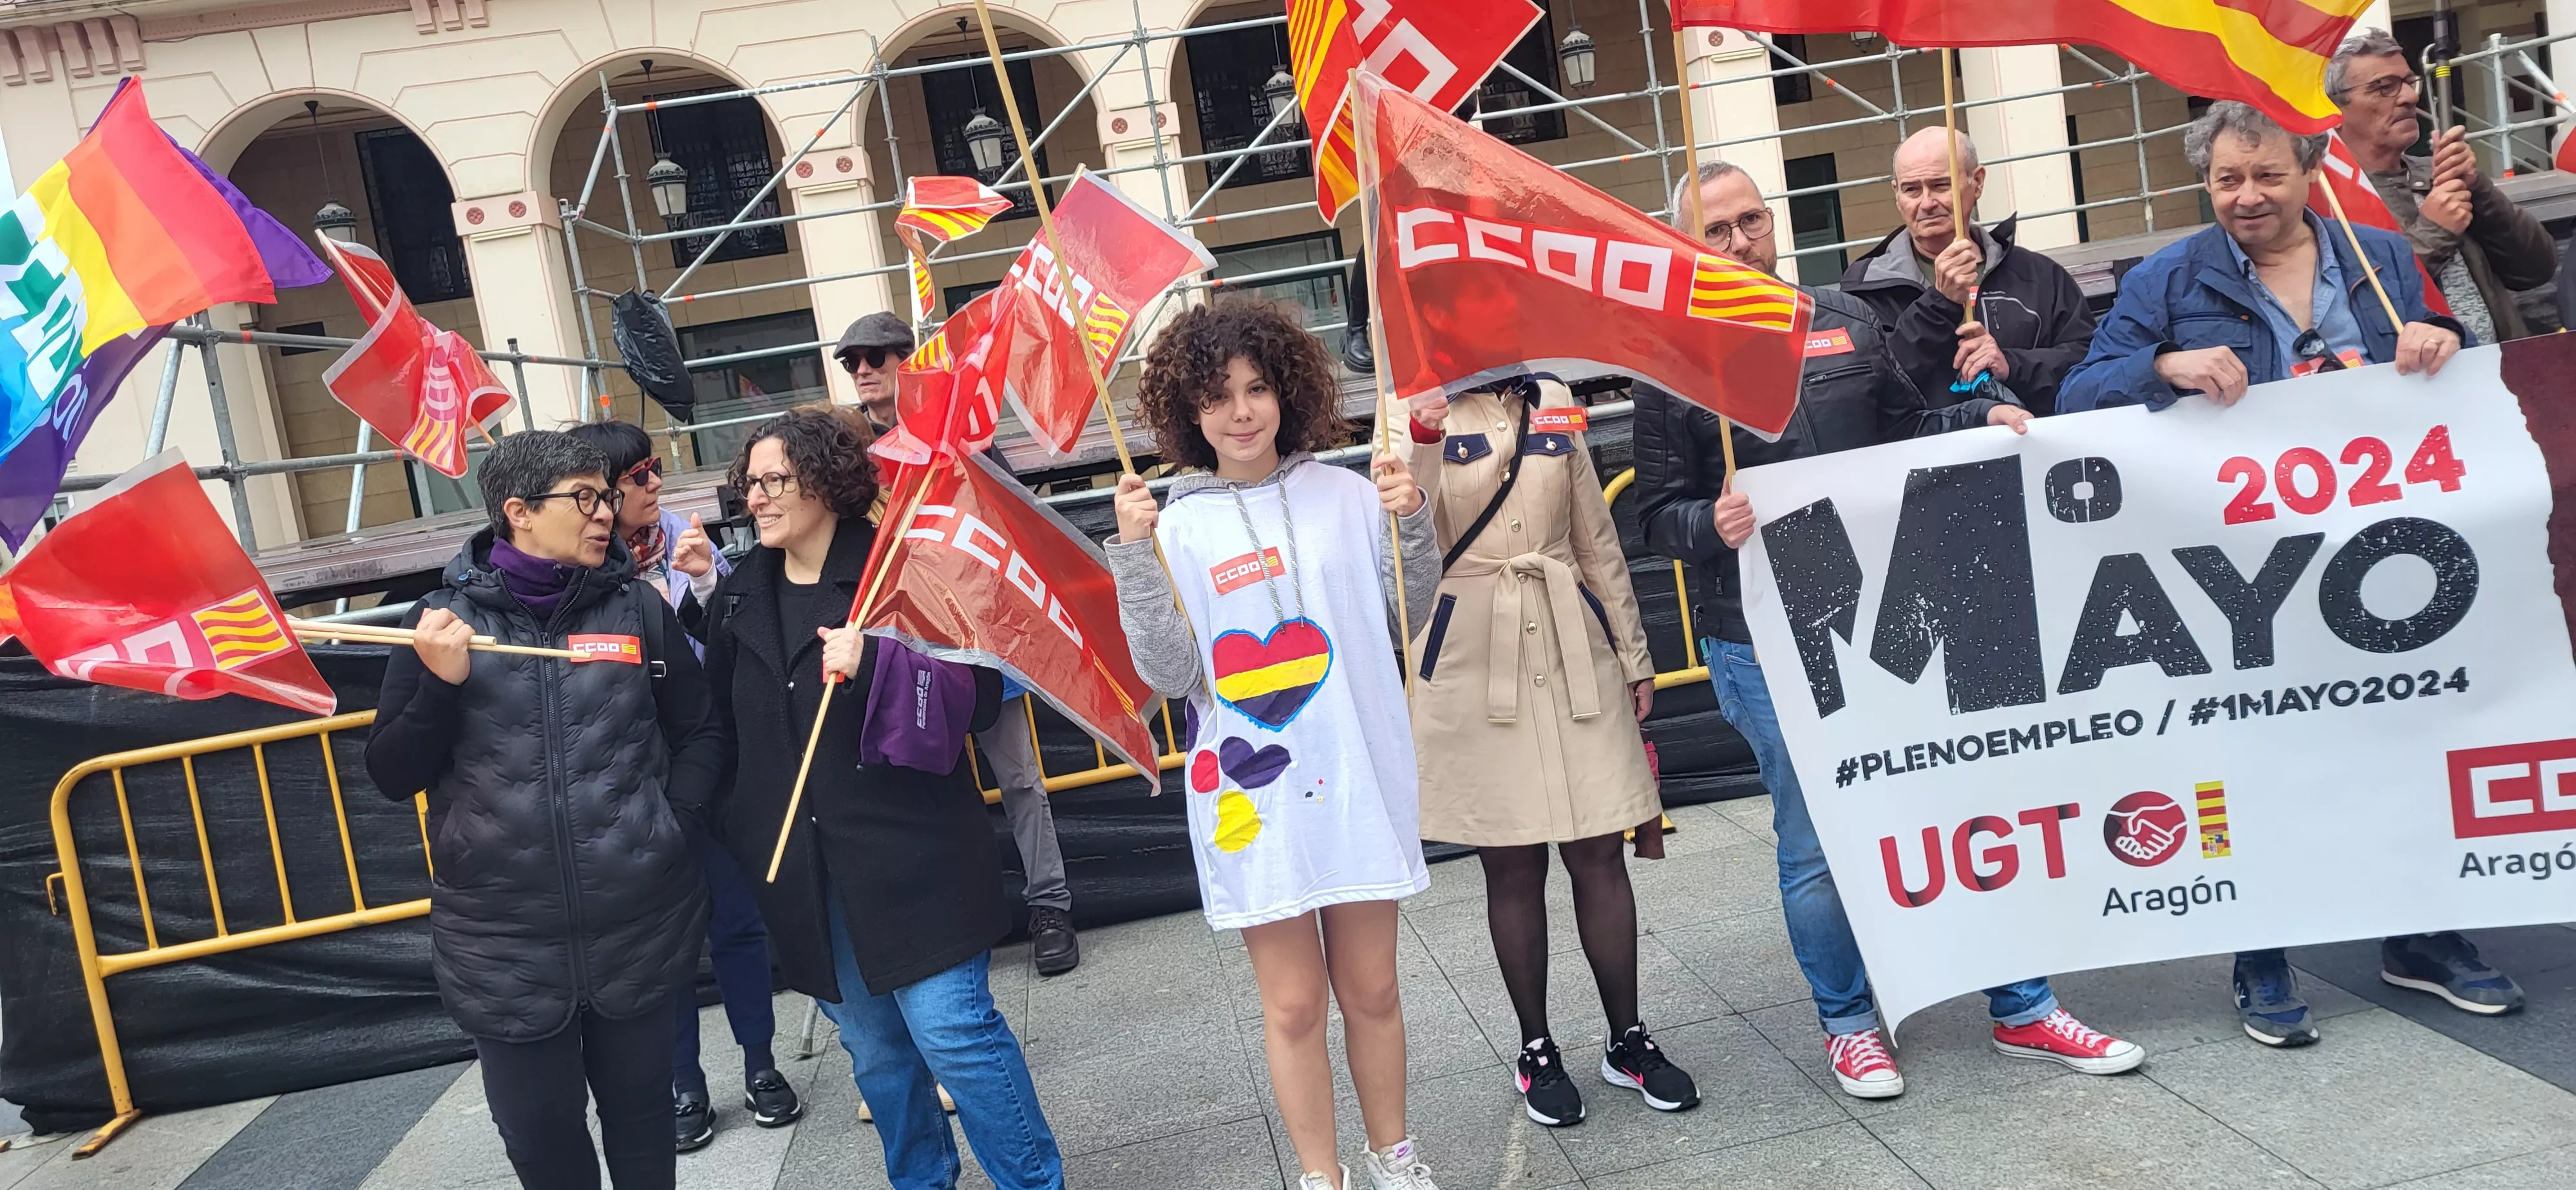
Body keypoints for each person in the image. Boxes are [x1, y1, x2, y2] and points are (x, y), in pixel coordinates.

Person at [1638, 159, 2143, 1101]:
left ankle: (2024, 1007)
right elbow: (1654, 514)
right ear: (1688, 244)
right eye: (1717, 229)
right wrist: (1712, 523)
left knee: (1962, 807)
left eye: (1752, 219)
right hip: (1763, 635)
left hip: (1895, 613)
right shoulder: (1671, 362)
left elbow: (1906, 422)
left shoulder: (1839, 317)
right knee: (1816, 841)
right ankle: (1850, 1023)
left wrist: (1976, 413)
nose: (1742, 240)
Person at [2060, 102, 2517, 1045]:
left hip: (2381, 555)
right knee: (2255, 759)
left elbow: (2461, 353)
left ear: (2309, 172)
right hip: (2250, 575)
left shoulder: (2382, 258)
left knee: (2404, 741)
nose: (2247, 196)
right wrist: (2167, 363)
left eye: (2266, 176)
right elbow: (2079, 392)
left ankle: (2421, 934)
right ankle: (2262, 951)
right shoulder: (2166, 278)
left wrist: (2442, 342)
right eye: (2228, 179)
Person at [1106, 296, 1443, 1190]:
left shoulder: (1350, 491)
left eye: (1258, 388)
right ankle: (1321, 1176)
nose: (1243, 411)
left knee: (1372, 989)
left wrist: (1411, 516)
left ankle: (1394, 1159)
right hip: (1251, 791)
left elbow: (1412, 606)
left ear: (1289, 389)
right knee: (1295, 1004)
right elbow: (1173, 673)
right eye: (1219, 396)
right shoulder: (1173, 524)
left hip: (1358, 770)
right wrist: (1135, 557)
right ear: (1189, 409)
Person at [698, 408, 1061, 1190]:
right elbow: (718, 730)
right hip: (802, 871)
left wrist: (881, 662)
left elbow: (982, 696)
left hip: (917, 856)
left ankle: (1033, 1182)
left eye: (773, 482)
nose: (755, 499)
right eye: (748, 485)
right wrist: (742, 825)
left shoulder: (897, 575)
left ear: (826, 482)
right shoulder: (735, 598)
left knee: (954, 1033)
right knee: (877, 1055)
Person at [365, 430, 724, 1190]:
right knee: (541, 1141)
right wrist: (438, 684)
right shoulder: (441, 620)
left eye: (606, 497)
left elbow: (701, 731)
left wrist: (670, 824)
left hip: (636, 921)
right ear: (520, 512)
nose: (605, 514)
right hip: (501, 941)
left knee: (643, 1125)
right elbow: (393, 773)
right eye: (586, 498)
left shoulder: (634, 610)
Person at [1400, 371, 1697, 1128]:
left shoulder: (1554, 397)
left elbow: (1595, 537)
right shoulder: (1411, 407)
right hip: (1471, 652)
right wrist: (1424, 441)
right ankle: (1536, 1050)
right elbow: (1401, 556)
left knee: (1599, 846)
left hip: (1573, 640)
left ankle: (1627, 1039)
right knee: (1511, 858)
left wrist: (1633, 653)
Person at [564, 421, 801, 1151]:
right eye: (640, 476)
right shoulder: (581, 568)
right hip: (632, 785)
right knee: (661, 947)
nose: (656, 485)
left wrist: (705, 581)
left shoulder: (687, 539)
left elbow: (741, 648)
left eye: (656, 468)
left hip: (715, 769)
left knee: (737, 922)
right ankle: (684, 1087)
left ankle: (762, 1065)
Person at [830, 314, 1083, 976]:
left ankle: (1050, 907)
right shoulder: (848, 451)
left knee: (1021, 779)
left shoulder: (959, 432)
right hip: (904, 646)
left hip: (975, 636)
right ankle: (952, 920)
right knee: (923, 788)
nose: (862, 369)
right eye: (852, 359)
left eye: (876, 355)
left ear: (906, 363)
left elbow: (1008, 518)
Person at [1841, 128, 2099, 414]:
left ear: (1977, 182)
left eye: (1941, 185)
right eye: (1912, 189)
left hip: (2033, 450)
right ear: (1896, 195)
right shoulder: (1866, 288)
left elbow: (2092, 362)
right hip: (1927, 457)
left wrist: (2011, 365)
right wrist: (1938, 305)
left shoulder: (2040, 276)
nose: (1926, 203)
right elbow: (1868, 389)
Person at [2329, 28, 2555, 344]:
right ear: (2332, 109)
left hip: (2501, 375)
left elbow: (2535, 269)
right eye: (2384, 88)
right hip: (2421, 384)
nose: (2410, 97)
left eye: (2409, 82)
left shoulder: (2438, 174)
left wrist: (2477, 187)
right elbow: (2360, 306)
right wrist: (2434, 230)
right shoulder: (2327, 198)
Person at [833, 311, 913, 433]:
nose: (861, 370)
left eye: (875, 358)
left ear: (908, 361)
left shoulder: (942, 423)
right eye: (852, 361)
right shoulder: (843, 441)